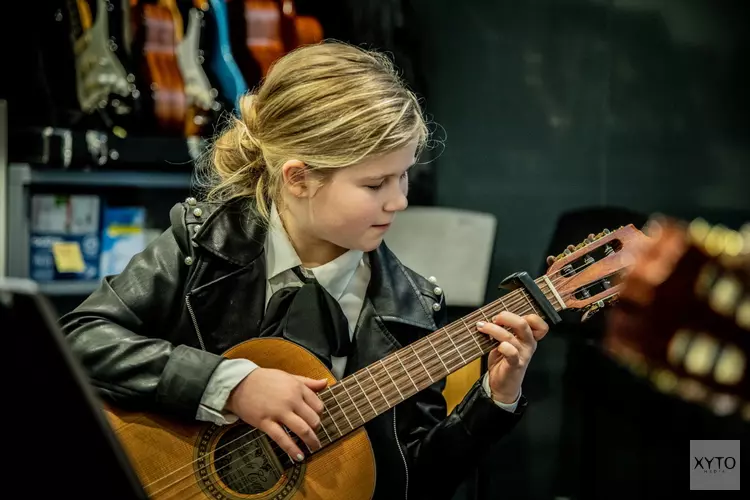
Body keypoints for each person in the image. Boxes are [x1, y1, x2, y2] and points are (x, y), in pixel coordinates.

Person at [61, 41, 549, 500]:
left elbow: (414, 483)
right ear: (298, 178)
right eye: (376, 183)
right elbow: (80, 340)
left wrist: (494, 398)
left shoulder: (409, 309)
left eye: (403, 176)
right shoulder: (201, 244)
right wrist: (229, 384)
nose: (399, 201)